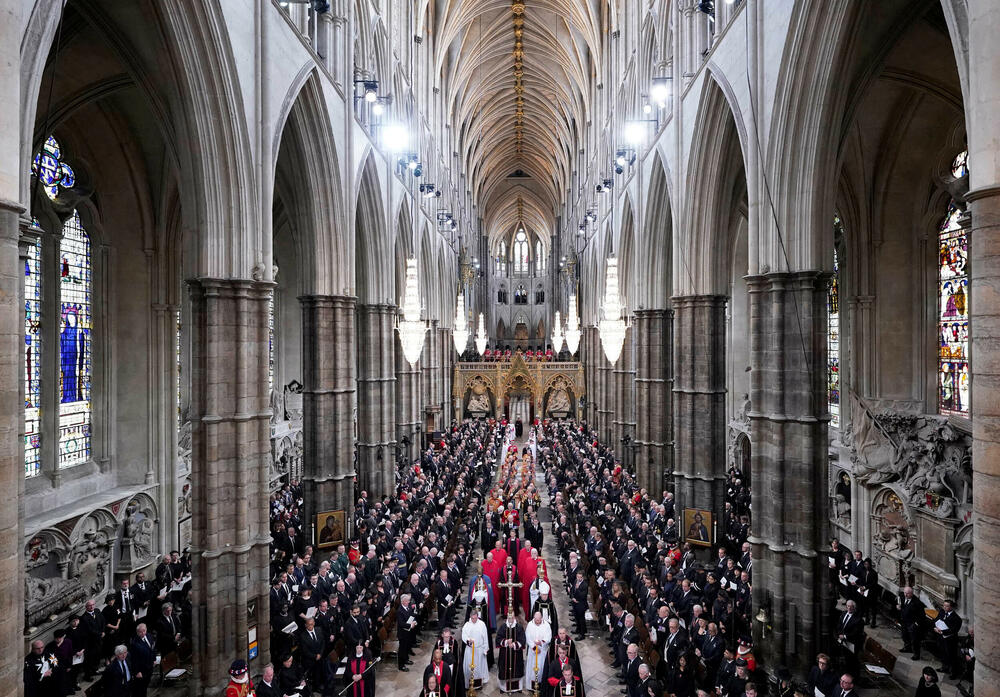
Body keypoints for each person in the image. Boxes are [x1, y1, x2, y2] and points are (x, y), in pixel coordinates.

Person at [496, 611, 526, 692]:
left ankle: (517, 687)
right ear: (507, 618)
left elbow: (522, 639)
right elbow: (498, 638)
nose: (510, 619)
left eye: (512, 617)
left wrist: (514, 645)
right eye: (509, 618)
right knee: (504, 669)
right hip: (505, 653)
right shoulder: (503, 627)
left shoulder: (519, 627)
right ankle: (504, 688)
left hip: (516, 653)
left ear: (514, 617)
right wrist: (506, 642)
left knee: (517, 669)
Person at [461, 608, 490, 687]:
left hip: (479, 650)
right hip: (470, 650)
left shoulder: (482, 624)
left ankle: (479, 683)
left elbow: (485, 637)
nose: (474, 620)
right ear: (470, 617)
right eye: (472, 618)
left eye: (475, 618)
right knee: (469, 667)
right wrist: (468, 640)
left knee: (479, 668)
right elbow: (464, 635)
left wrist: (485, 648)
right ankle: (469, 684)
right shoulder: (467, 625)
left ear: (477, 616)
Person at [525, 611, 552, 691]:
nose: (537, 622)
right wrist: (534, 647)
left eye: (538, 620)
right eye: (536, 620)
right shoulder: (530, 624)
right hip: (533, 652)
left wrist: (541, 642)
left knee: (542, 668)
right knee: (532, 668)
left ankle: (541, 686)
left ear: (541, 618)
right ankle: (532, 687)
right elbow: (528, 637)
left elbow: (548, 637)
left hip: (542, 651)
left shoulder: (546, 625)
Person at [934, 599, 961, 678]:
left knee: (951, 656)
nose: (944, 607)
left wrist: (943, 632)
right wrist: (935, 628)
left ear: (951, 607)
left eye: (947, 606)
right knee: (943, 653)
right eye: (944, 605)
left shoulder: (957, 618)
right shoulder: (942, 612)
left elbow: (954, 630)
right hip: (941, 638)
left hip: (950, 640)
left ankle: (953, 672)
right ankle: (944, 667)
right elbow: (936, 619)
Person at [899, 586, 927, 660]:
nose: (905, 595)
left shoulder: (917, 603)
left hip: (912, 623)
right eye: (905, 593)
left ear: (911, 593)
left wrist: (916, 624)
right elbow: (902, 605)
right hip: (904, 621)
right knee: (904, 636)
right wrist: (899, 607)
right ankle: (907, 648)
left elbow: (922, 616)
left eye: (907, 593)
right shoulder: (902, 596)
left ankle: (916, 654)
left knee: (914, 640)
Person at [129, 624, 156, 697]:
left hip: (149, 666)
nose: (143, 633)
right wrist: (137, 671)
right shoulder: (134, 643)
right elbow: (134, 659)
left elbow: (153, 648)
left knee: (146, 685)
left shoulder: (149, 636)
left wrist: (154, 659)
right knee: (140, 688)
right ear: (137, 632)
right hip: (141, 669)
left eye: (144, 631)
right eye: (140, 632)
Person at [397, 594, 418, 671]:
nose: (409, 602)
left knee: (407, 647)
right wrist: (410, 625)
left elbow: (412, 615)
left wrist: (414, 621)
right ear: (403, 602)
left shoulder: (408, 607)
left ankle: (406, 659)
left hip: (408, 632)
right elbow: (401, 623)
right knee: (402, 649)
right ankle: (401, 665)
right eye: (408, 601)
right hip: (402, 633)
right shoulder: (399, 611)